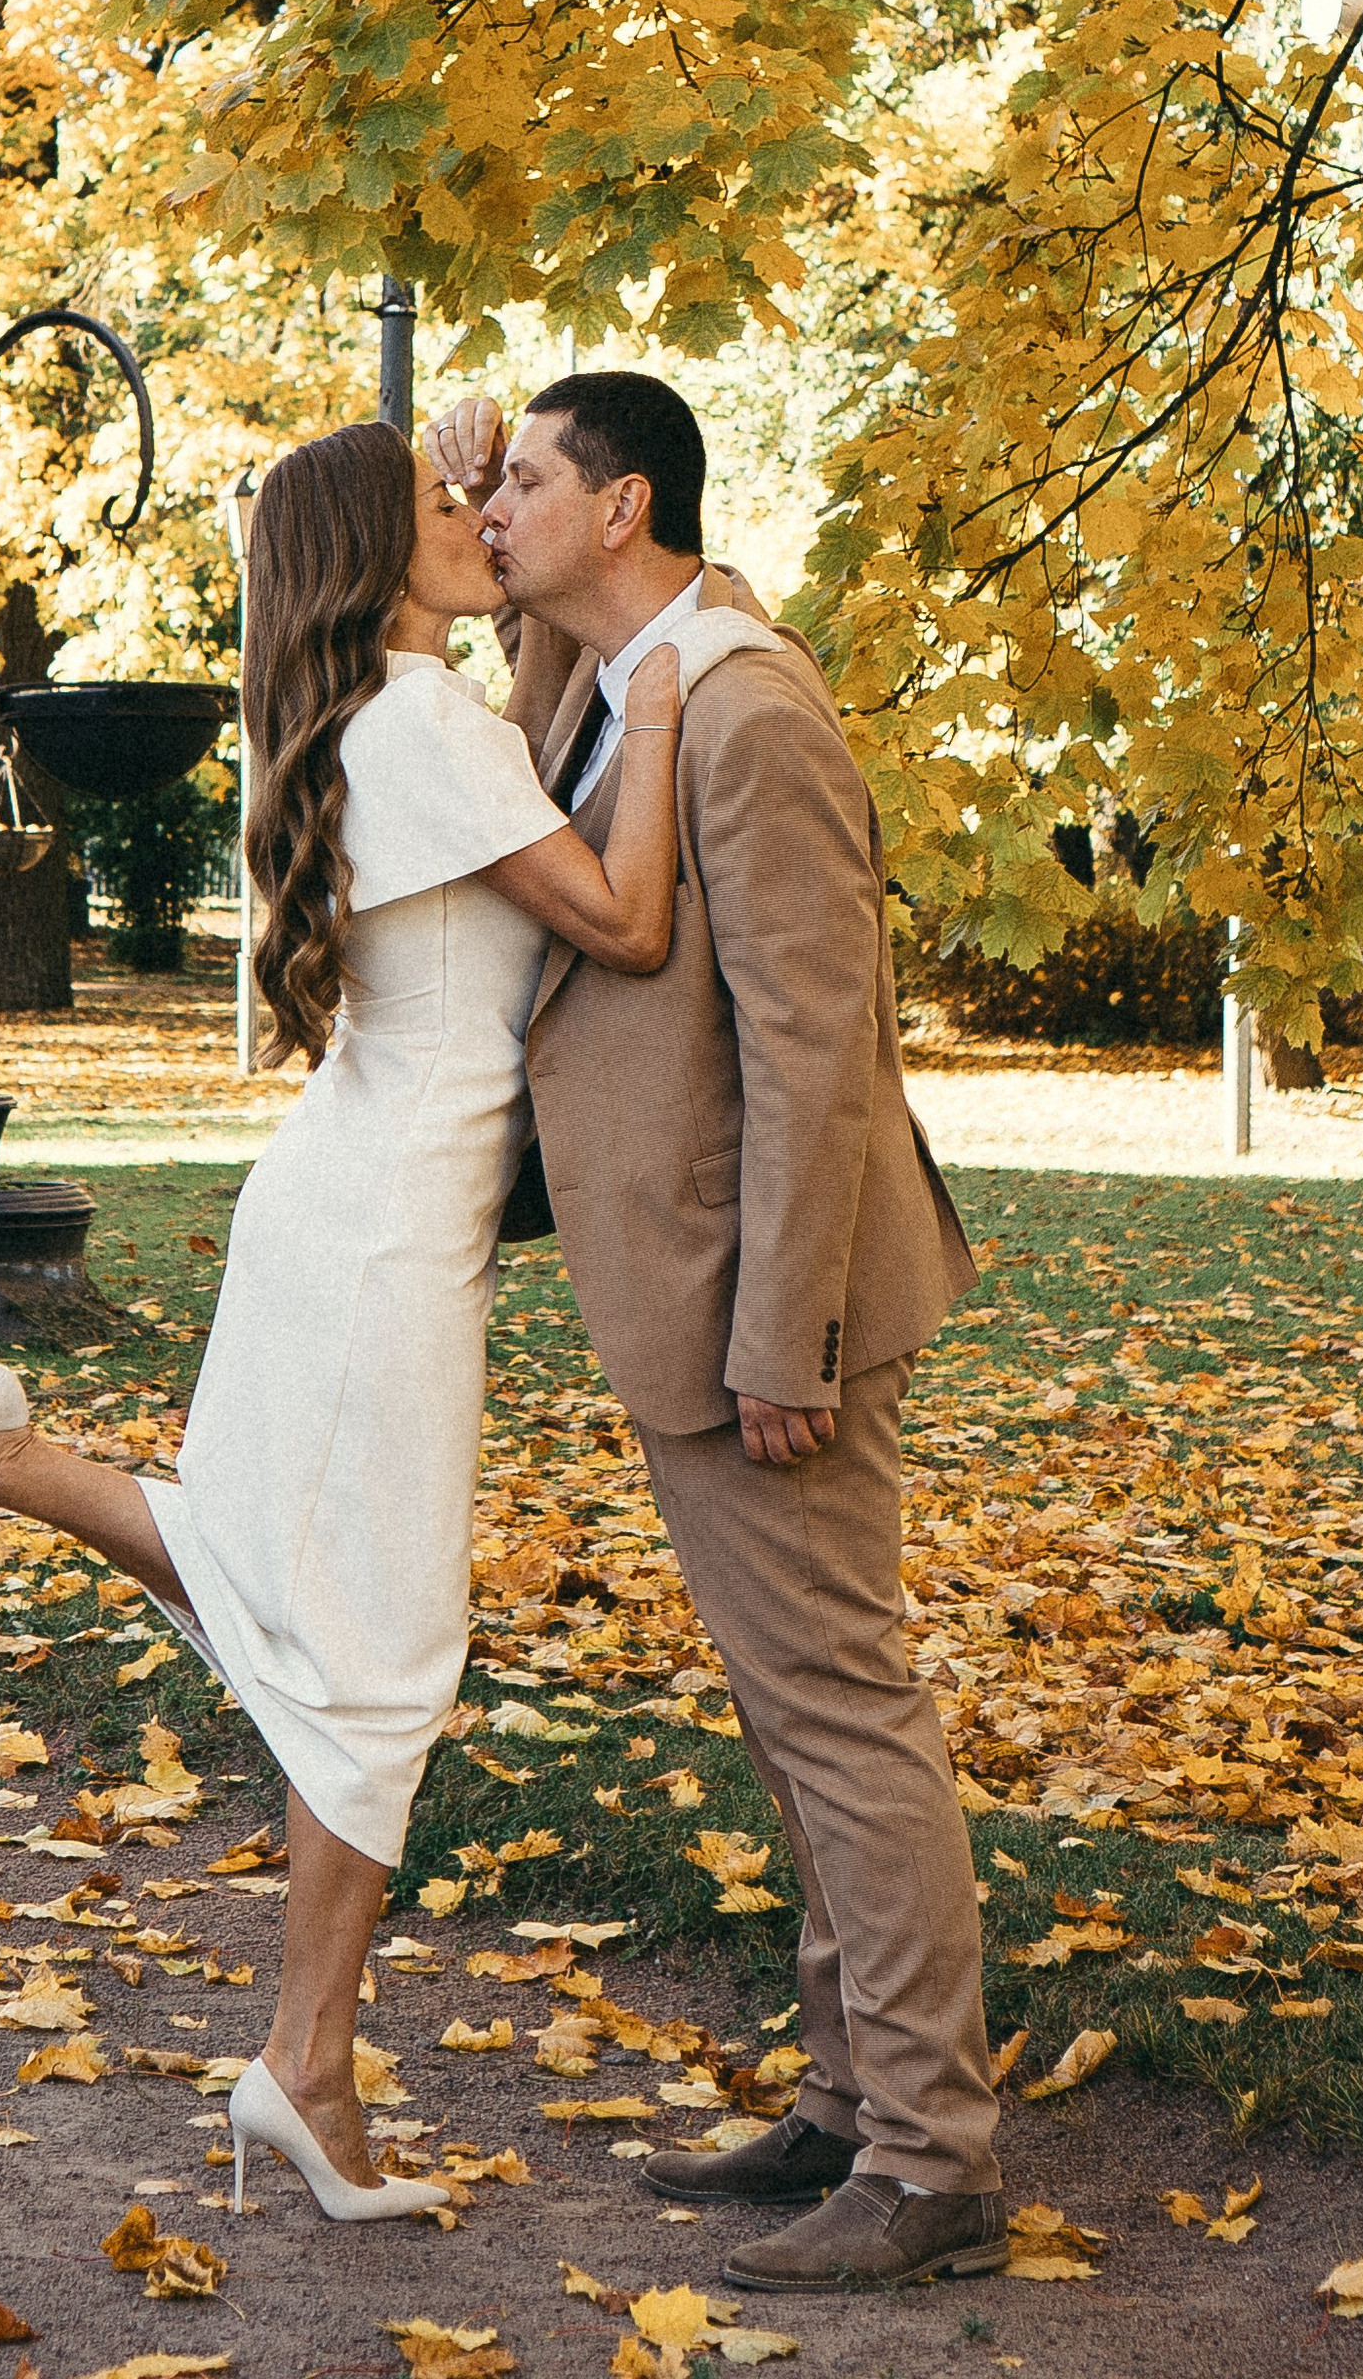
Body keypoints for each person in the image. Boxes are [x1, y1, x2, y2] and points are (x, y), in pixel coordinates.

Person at [0, 417, 766, 2226]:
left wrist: (492, 525)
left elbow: (533, 728)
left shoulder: (389, 719)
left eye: (485, 494)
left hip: (354, 1211)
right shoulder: (420, 725)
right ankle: (306, 2072)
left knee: (286, 1590)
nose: (482, 519)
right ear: (371, 562)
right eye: (442, 507)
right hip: (383, 1236)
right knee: (376, 1658)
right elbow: (630, 924)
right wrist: (684, 664)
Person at [430, 370, 1001, 2293]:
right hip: (691, 1283)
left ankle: (929, 2164)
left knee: (843, 1715)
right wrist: (454, 479)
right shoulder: (610, 671)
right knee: (792, 1715)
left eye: (523, 481)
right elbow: (496, 655)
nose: (491, 508)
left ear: (627, 508)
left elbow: (817, 1043)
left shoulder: (743, 704)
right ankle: (850, 2104)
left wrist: (789, 1334)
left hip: (773, 1307)